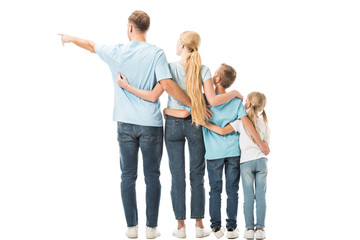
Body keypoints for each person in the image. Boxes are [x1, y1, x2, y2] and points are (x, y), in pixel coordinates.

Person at [58, 10, 192, 239]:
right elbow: (167, 85)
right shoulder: (157, 53)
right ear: (146, 28)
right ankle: (151, 228)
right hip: (151, 125)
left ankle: (131, 227)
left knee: (127, 176)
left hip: (125, 125)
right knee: (152, 176)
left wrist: (70, 38)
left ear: (130, 28)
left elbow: (91, 45)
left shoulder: (117, 52)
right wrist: (192, 103)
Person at [116, 31, 246, 238]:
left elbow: (153, 96)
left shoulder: (169, 68)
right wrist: (235, 93)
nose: (176, 45)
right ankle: (199, 225)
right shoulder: (204, 69)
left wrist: (130, 89)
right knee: (197, 176)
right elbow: (211, 101)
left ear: (184, 46)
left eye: (178, 42)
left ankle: (180, 227)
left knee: (177, 176)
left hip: (174, 126)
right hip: (196, 124)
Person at [154, 64, 269, 239]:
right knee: (232, 190)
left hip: (214, 153)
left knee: (215, 190)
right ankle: (231, 228)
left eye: (214, 74)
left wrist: (166, 110)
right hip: (233, 153)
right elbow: (246, 123)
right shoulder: (236, 101)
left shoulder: (203, 100)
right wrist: (261, 144)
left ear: (217, 79)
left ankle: (216, 228)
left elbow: (185, 114)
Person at [201, 92, 270, 240]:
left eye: (246, 101)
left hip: (245, 162)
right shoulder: (264, 123)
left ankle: (244, 229)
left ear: (249, 104)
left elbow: (221, 130)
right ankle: (258, 229)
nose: (244, 103)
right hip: (259, 161)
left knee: (244, 196)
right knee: (257, 195)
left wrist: (205, 124)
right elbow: (266, 146)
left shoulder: (240, 121)